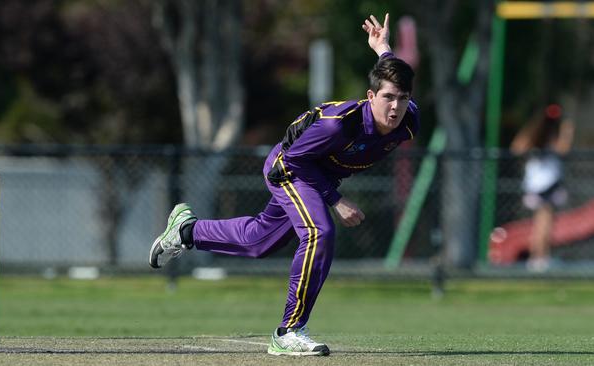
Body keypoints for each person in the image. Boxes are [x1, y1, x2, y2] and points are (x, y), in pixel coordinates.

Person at [149, 13, 418, 356]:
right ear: (370, 96)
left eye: (403, 98)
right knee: (319, 232)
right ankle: (289, 331)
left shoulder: (408, 121)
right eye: (388, 98)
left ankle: (186, 231)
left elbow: (393, 76)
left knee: (259, 241)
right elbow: (293, 162)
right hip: (289, 167)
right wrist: (336, 200)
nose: (395, 107)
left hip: (316, 172)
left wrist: (383, 48)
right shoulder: (339, 126)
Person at [511, 104, 574, 272]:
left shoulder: (537, 135)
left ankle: (539, 258)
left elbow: (516, 147)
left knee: (541, 225)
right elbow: (563, 149)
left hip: (537, 186)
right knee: (543, 225)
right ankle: (539, 259)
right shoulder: (545, 136)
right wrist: (567, 131)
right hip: (546, 186)